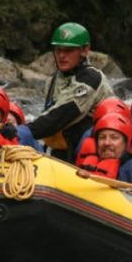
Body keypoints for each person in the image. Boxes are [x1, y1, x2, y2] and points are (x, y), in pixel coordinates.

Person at [25, 22, 115, 162]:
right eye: (58, 50)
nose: (61, 55)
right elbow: (49, 116)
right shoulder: (52, 80)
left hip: (91, 153)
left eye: (68, 50)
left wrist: (24, 131)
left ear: (84, 50)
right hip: (64, 148)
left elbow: (63, 113)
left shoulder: (91, 78)